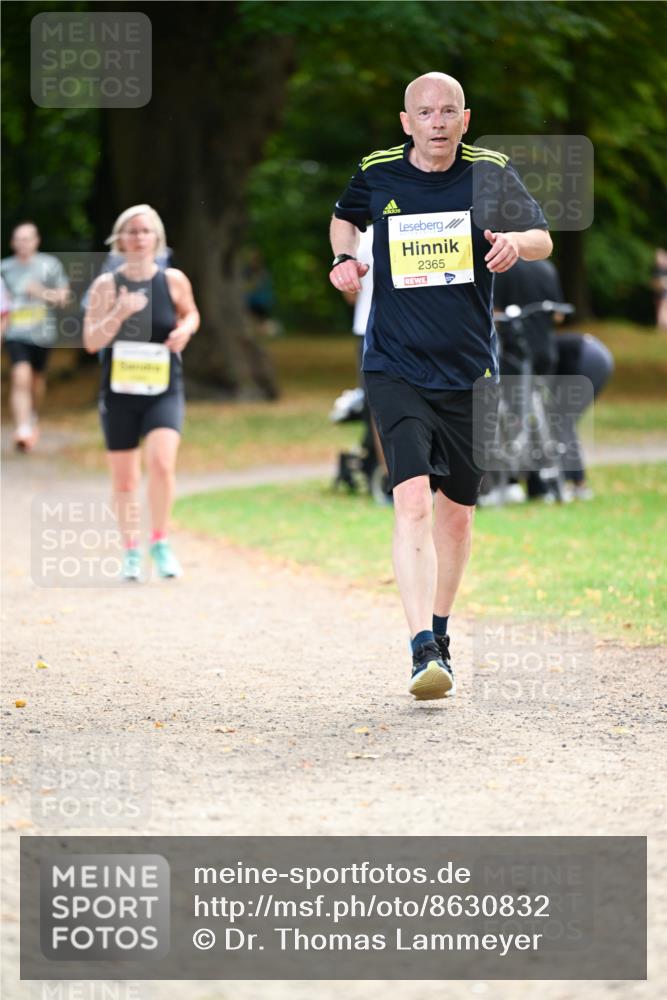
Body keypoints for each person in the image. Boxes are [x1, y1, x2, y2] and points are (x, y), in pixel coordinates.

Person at [329, 72, 552, 700]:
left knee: (456, 516)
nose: (435, 120)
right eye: (424, 112)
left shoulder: (491, 170)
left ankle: (441, 630)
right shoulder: (377, 171)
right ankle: (421, 647)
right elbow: (343, 221)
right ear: (406, 122)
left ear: (464, 118)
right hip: (393, 365)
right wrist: (345, 259)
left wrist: (514, 243)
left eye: (447, 111)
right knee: (414, 503)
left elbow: (543, 236)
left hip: (470, 371)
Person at [83, 205, 200, 581]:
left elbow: (191, 313)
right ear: (119, 239)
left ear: (157, 238)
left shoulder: (173, 280)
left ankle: (161, 541)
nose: (138, 237)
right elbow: (90, 341)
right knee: (126, 479)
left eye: (145, 231)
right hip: (119, 391)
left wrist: (186, 330)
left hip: (164, 387)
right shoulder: (106, 285)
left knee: (163, 463)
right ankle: (131, 550)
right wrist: (117, 313)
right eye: (131, 231)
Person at [494, 258, 613, 500]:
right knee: (546, 418)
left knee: (547, 417)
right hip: (547, 352)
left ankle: (564, 483)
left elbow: (495, 313)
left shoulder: (502, 266)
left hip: (521, 352)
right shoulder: (546, 267)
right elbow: (559, 316)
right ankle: (544, 483)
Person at [1, 222, 70, 450]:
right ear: (12, 243)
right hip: (15, 333)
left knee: (36, 381)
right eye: (19, 239)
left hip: (42, 334)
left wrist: (40, 292)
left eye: (28, 238)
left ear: (36, 241)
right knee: (20, 375)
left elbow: (64, 298)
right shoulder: (4, 268)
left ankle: (31, 416)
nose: (23, 243)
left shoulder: (50, 265)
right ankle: (21, 427)